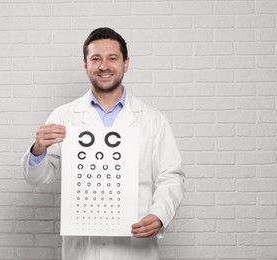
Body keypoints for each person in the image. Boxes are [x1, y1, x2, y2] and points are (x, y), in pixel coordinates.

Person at [21, 27, 185, 260]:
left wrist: (159, 215)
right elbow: (38, 178)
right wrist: (38, 151)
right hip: (83, 250)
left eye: (113, 58)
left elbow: (171, 176)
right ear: (85, 64)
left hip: (135, 249)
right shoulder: (64, 116)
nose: (104, 66)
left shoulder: (152, 119)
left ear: (126, 63)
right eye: (95, 58)